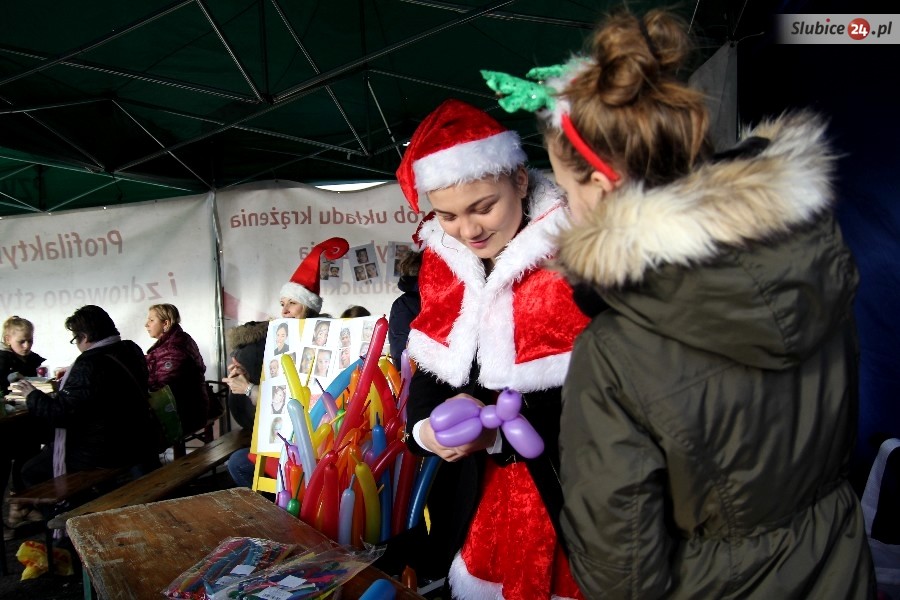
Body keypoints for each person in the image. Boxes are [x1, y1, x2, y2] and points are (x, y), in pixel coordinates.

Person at [490, 9, 876, 598]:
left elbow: (622, 572)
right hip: (838, 565)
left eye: (566, 190)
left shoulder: (616, 349)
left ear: (602, 186)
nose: (566, 209)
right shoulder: (814, 256)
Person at [398, 99, 590, 596]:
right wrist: (428, 432)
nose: (469, 230)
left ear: (521, 181)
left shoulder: (579, 252)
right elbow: (429, 379)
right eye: (447, 216)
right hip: (475, 501)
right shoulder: (443, 267)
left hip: (574, 494)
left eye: (484, 207)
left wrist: (500, 429)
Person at [224, 237, 349, 488]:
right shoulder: (285, 342)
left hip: (317, 444)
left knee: (240, 463)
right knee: (238, 462)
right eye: (283, 304)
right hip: (287, 439)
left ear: (309, 307)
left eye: (292, 303)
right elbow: (278, 401)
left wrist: (249, 389)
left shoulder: (323, 342)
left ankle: (284, 508)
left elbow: (298, 403)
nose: (284, 311)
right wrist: (247, 378)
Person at [12, 306, 160, 488]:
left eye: (76, 339)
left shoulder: (88, 364)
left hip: (104, 450)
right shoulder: (130, 349)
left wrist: (31, 394)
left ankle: (69, 504)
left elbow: (61, 414)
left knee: (30, 471)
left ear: (85, 337)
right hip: (137, 438)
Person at [1, 316, 46, 539]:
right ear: (8, 339)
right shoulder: (2, 362)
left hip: (25, 425)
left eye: (30, 340)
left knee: (25, 462)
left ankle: (20, 507)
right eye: (22, 341)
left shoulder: (29, 360)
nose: (27, 346)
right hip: (5, 427)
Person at [144, 304, 210, 436]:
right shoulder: (177, 340)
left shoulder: (173, 348)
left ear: (166, 323)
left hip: (185, 412)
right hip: (191, 407)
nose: (146, 325)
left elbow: (163, 385)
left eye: (151, 320)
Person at [388, 250, 421, 371]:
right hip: (420, 375)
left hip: (417, 375)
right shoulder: (404, 304)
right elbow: (403, 352)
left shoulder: (402, 304)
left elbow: (399, 349)